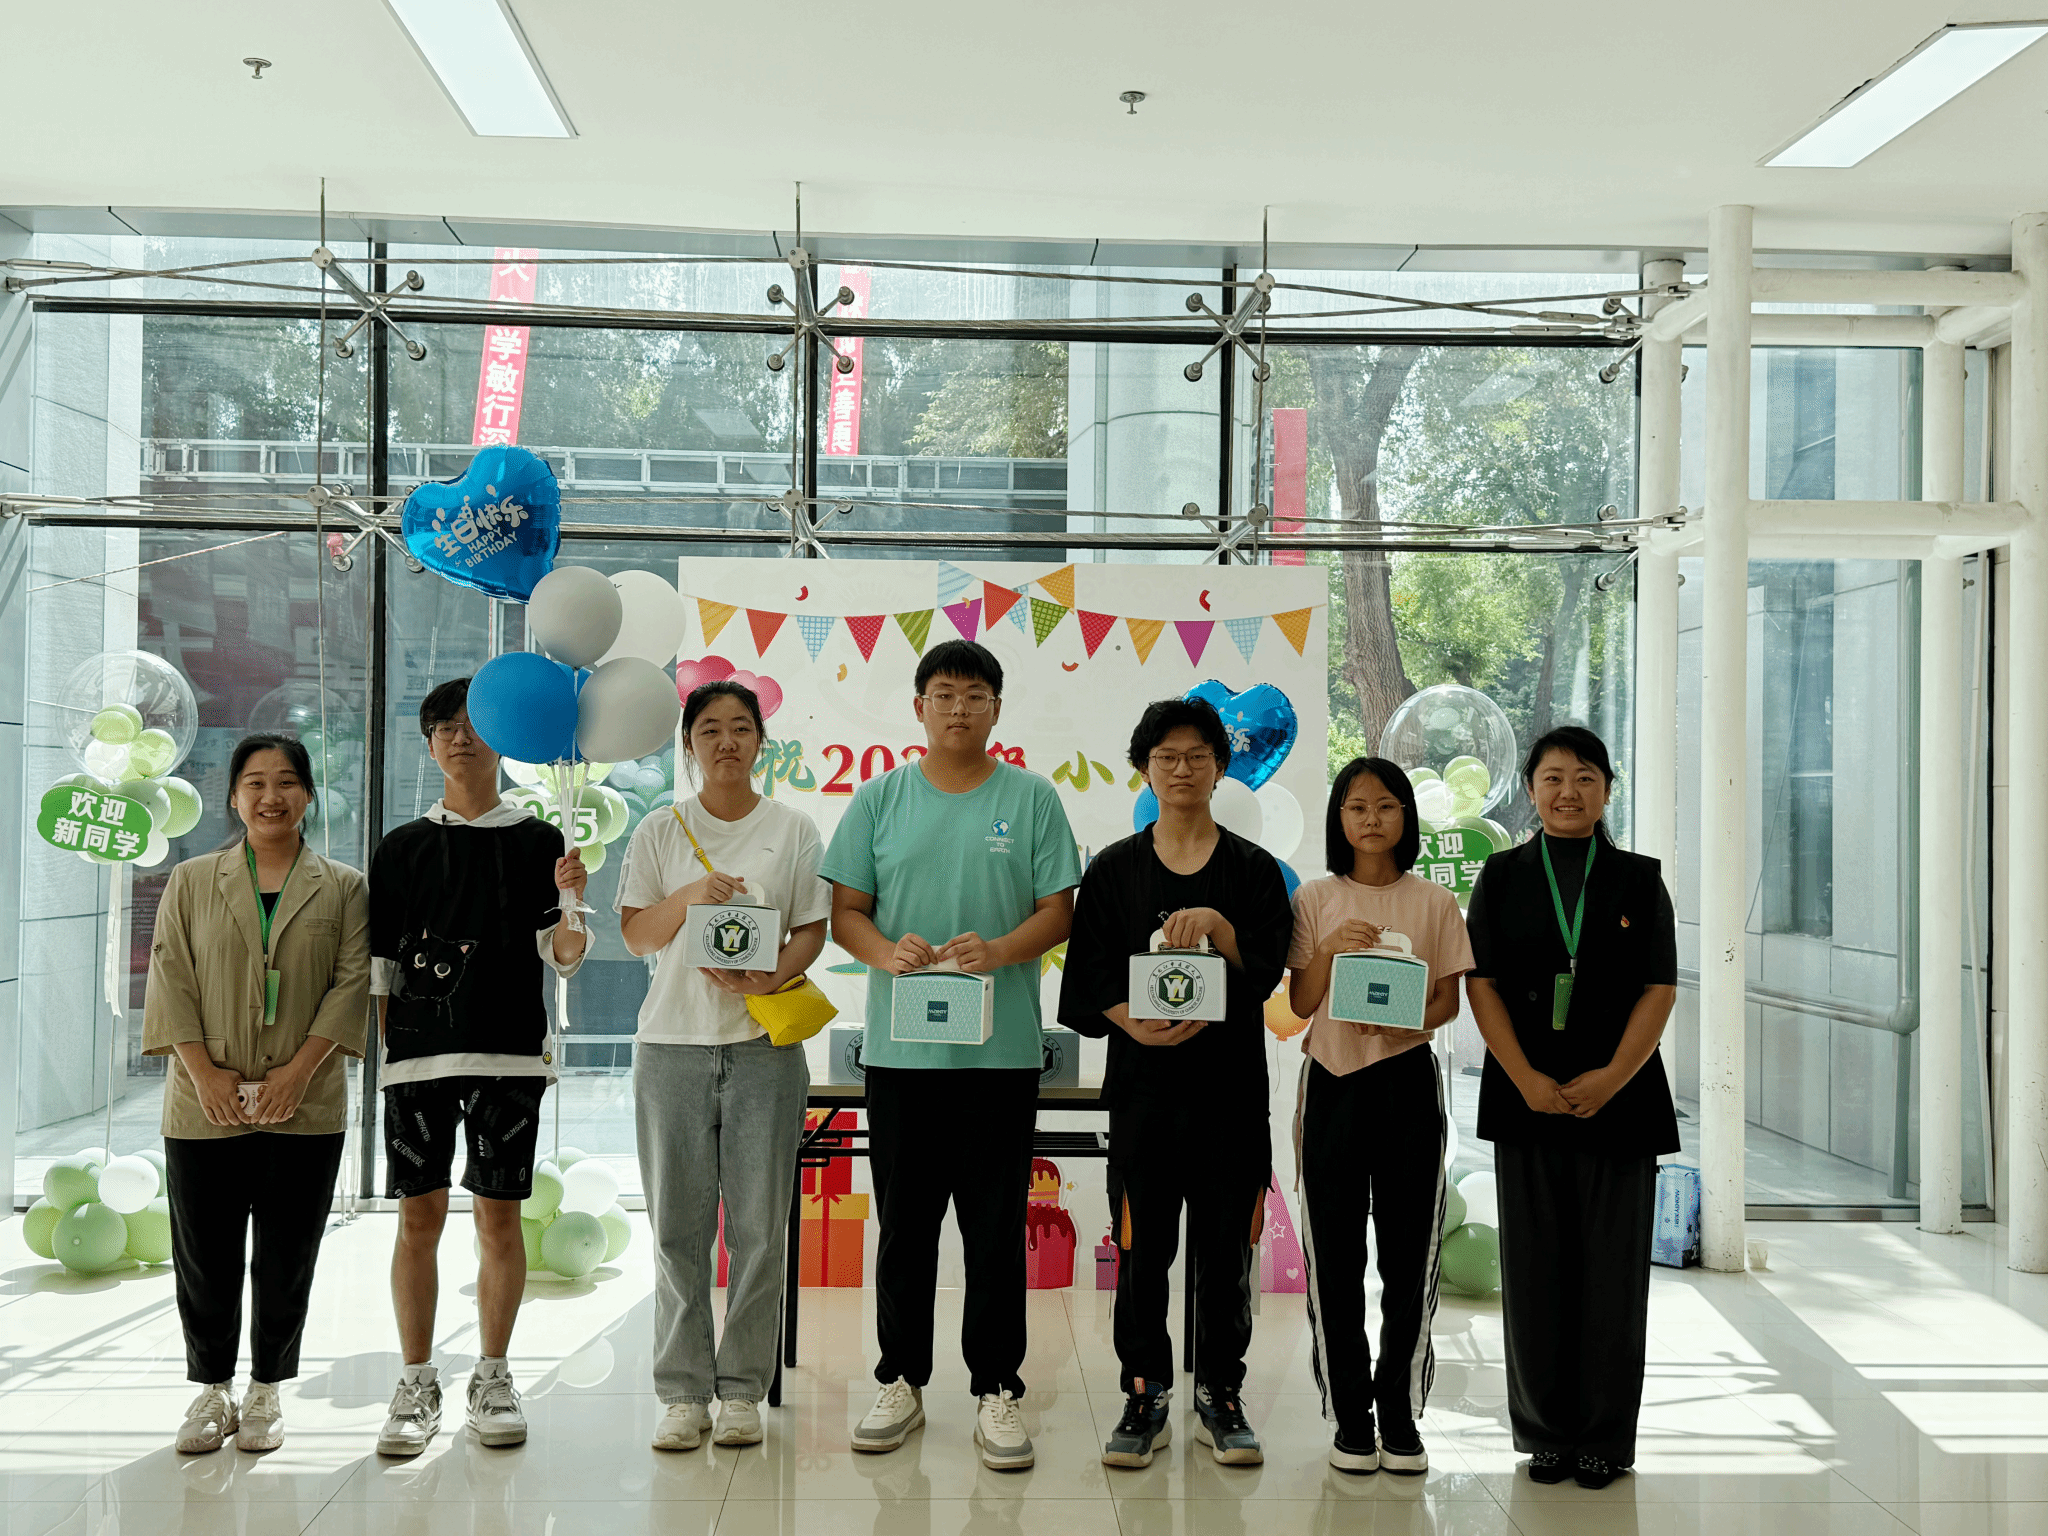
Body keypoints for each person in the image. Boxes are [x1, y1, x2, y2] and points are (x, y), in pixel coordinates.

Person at [822, 638, 1079, 1471]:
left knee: (994, 1230)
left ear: (996, 709)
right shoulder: (879, 800)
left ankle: (997, 1387)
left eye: (974, 695)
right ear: (919, 707)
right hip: (901, 1056)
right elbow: (847, 912)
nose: (958, 708)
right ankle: (900, 1378)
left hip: (1000, 1056)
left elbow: (1059, 911)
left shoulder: (1031, 799)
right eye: (944, 694)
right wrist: (884, 951)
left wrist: (1000, 951)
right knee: (905, 1228)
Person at [1058, 698, 1292, 1470]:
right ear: (1144, 769)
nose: (1182, 769)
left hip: (1230, 1097)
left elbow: (1265, 976)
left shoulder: (1253, 871)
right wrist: (1130, 1020)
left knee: (1226, 1256)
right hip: (1145, 1097)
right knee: (1142, 1251)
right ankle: (1144, 1392)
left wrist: (1222, 930)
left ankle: (1221, 1394)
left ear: (1221, 767)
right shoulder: (1113, 870)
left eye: (1197, 756)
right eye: (1166, 757)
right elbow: (1088, 979)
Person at [368, 678, 588, 1457]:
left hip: (510, 1056)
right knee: (417, 1219)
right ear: (429, 746)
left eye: (473, 724)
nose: (460, 737)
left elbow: (564, 958)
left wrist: (574, 900)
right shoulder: (401, 847)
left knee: (498, 1218)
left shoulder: (540, 841)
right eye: (444, 727)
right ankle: (416, 1380)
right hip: (417, 1061)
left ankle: (493, 1375)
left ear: (502, 738)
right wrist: (392, 1058)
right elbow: (381, 968)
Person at [143, 733, 370, 1455]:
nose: (271, 796)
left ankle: (267, 1388)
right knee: (204, 1253)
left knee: (287, 1255)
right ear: (234, 797)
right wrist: (203, 1074)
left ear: (308, 795)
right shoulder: (190, 880)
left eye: (286, 782)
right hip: (202, 1102)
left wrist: (297, 1074)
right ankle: (213, 1389)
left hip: (304, 1102)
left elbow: (351, 986)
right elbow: (170, 977)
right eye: (255, 783)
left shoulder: (344, 886)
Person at [1464, 725, 1678, 1491]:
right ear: (1530, 789)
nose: (1568, 791)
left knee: (1612, 1274)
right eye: (1552, 777)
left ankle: (1604, 1439)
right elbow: (1481, 984)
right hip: (1526, 1096)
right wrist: (1522, 1075)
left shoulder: (1640, 880)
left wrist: (1614, 1075)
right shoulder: (1501, 876)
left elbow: (1659, 988)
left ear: (1608, 790)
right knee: (1534, 1270)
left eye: (1585, 777)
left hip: (1620, 1100)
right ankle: (1545, 1434)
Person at [617, 680, 828, 1452]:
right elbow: (638, 935)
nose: (727, 741)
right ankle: (682, 1393)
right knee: (677, 1229)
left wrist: (770, 978)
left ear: (760, 742)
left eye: (741, 728)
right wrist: (692, 893)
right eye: (710, 729)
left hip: (763, 1050)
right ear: (690, 744)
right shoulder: (660, 829)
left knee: (760, 1230)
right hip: (670, 1047)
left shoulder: (792, 828)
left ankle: (742, 1389)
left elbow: (811, 930)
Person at [1285, 757, 1473, 1476]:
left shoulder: (1434, 902)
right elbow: (1301, 1002)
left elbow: (1447, 1000)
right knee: (1335, 1257)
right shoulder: (1315, 898)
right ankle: (1350, 1417)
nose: (1371, 818)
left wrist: (1405, 1026)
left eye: (1386, 805)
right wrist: (1331, 948)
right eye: (1357, 806)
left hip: (1406, 1084)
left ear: (1406, 817)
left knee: (1408, 1254)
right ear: (1339, 818)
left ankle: (1399, 1411)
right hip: (1333, 1082)